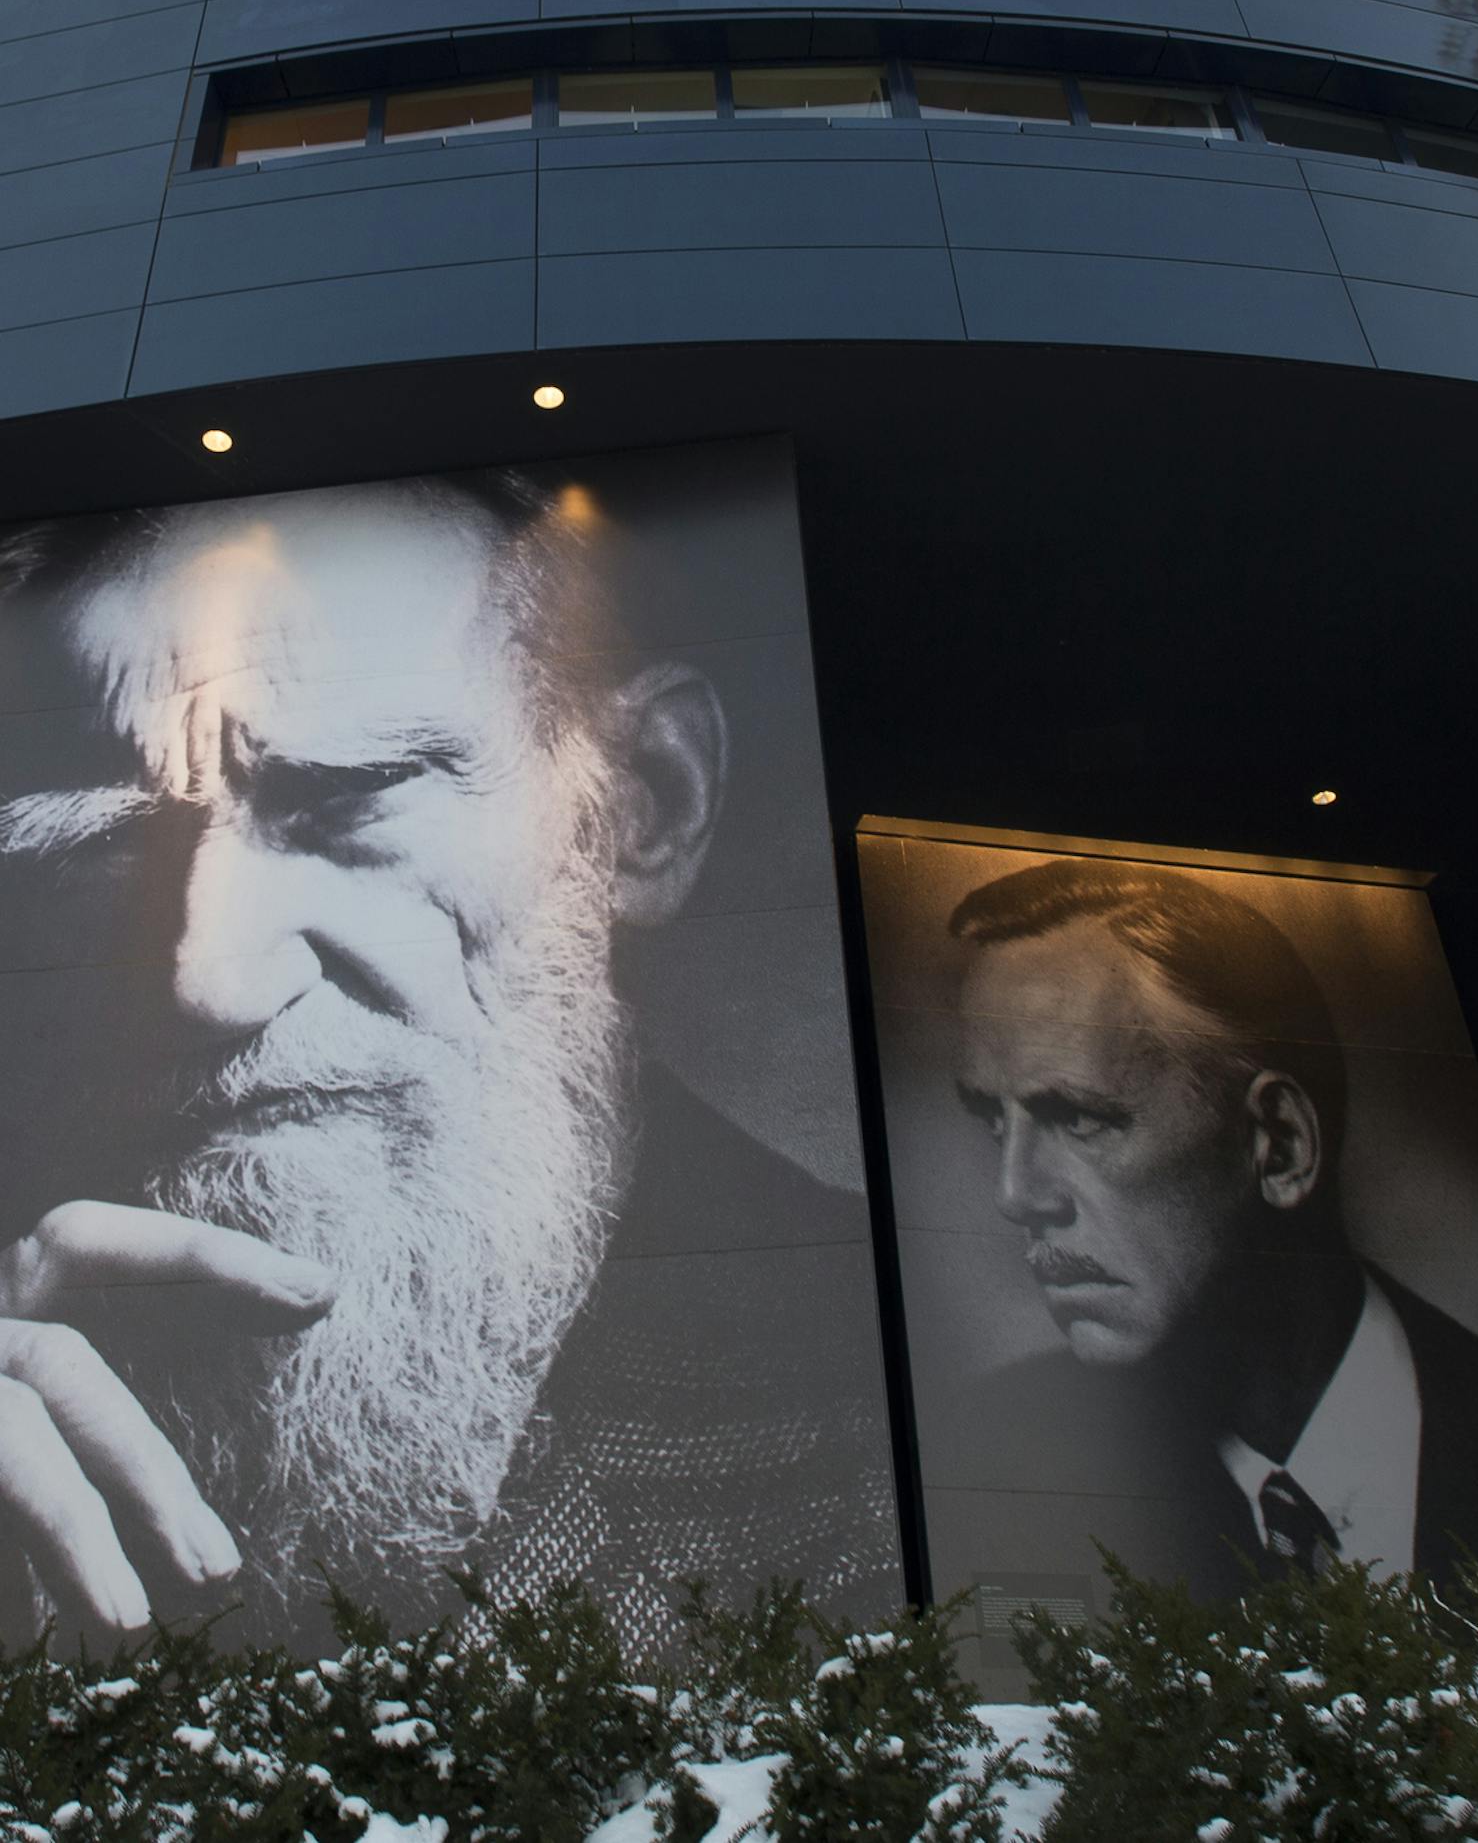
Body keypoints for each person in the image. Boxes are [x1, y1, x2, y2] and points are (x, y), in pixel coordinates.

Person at [0, 467, 895, 1651]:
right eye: (97, 842)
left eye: (348, 797)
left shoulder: (887, 1420)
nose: (205, 978)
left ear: (646, 807)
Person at [947, 859, 1478, 1591]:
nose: (1014, 1193)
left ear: (1280, 1143)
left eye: (1079, 1117)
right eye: (992, 1123)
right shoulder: (982, 1455)